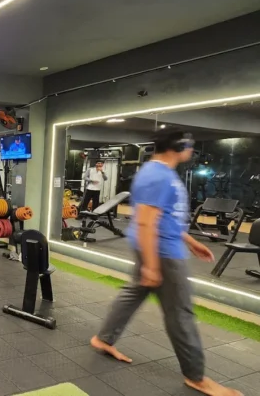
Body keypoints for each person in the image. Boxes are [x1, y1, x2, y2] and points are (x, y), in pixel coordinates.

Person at [90, 130, 242, 396]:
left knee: (133, 293)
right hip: (161, 252)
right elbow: (147, 221)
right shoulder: (157, 176)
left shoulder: (160, 173)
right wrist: (151, 265)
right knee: (181, 313)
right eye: (189, 145)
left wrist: (189, 241)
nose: (191, 150)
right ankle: (196, 377)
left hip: (162, 246)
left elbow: (164, 217)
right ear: (178, 146)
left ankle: (103, 339)